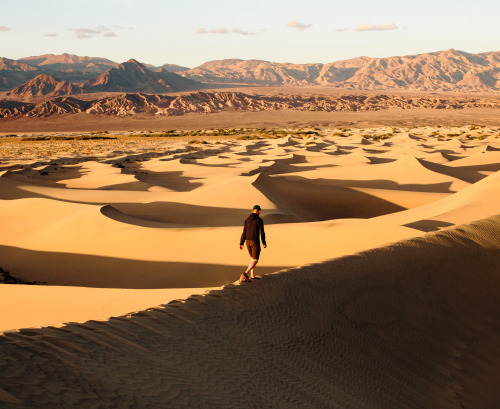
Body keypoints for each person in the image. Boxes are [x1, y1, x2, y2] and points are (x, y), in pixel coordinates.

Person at [239, 205, 267, 282]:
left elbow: (244, 231)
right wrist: (264, 242)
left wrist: (241, 243)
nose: (260, 212)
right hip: (255, 241)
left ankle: (252, 275)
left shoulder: (247, 220)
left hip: (247, 241)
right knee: (255, 259)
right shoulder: (259, 220)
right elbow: (262, 232)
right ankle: (245, 274)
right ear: (257, 211)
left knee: (252, 258)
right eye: (259, 211)